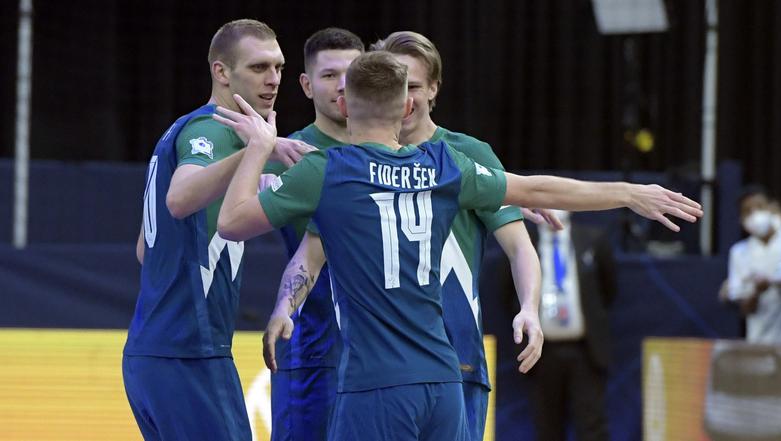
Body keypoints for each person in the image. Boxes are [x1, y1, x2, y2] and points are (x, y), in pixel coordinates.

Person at [213, 52, 702, 440]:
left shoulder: (326, 171)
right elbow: (535, 188)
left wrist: (259, 148)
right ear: (406, 106)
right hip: (445, 381)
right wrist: (628, 193)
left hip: (375, 384)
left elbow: (233, 223)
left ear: (344, 104)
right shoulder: (444, 166)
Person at [124, 19, 313, 441]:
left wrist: (260, 153)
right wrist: (257, 150)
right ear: (221, 72)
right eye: (259, 67)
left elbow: (144, 249)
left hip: (155, 354)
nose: (274, 79)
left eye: (279, 67)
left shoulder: (187, 128)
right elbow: (179, 197)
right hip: (187, 353)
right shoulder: (211, 130)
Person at [368, 31, 546, 440]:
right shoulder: (358, 159)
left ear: (434, 88)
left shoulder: (468, 154)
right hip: (378, 368)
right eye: (395, 87)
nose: (405, 99)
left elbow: (520, 247)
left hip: (456, 359)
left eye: (413, 86)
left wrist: (530, 308)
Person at [262, 27, 364, 441]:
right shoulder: (286, 156)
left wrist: (505, 200)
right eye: (328, 75)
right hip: (311, 350)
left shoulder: (394, 152)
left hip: (381, 353)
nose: (342, 85)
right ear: (305, 85)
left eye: (353, 73)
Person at [522, 210, 616, 441]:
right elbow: (508, 293)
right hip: (542, 354)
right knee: (547, 427)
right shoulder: (524, 244)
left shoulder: (593, 239)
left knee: (591, 426)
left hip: (585, 350)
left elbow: (609, 289)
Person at [726, 187, 781, 345]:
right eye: (747, 211)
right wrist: (757, 291)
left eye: (760, 207)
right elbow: (745, 309)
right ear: (741, 219)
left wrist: (776, 282)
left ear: (773, 207)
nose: (755, 215)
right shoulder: (739, 252)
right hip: (760, 344)